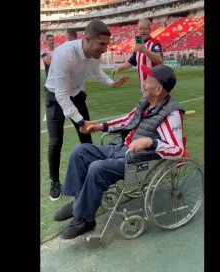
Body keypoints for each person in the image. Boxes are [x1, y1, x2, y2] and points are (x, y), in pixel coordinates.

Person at [53, 64, 185, 239]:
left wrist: (150, 142)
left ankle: (84, 219)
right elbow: (127, 120)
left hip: (139, 161)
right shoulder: (145, 103)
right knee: (79, 151)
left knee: (97, 168)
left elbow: (177, 150)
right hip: (123, 148)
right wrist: (99, 127)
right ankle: (79, 204)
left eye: (147, 80)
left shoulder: (171, 114)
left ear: (159, 88)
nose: (143, 83)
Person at [45, 20, 130, 201]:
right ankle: (54, 181)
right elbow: (61, 95)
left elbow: (97, 73)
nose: (105, 49)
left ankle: (92, 178)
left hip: (76, 95)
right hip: (55, 97)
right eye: (102, 44)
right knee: (55, 142)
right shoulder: (64, 54)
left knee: (87, 137)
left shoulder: (93, 56)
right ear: (87, 39)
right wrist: (80, 120)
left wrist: (112, 84)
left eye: (107, 44)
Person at [111, 18, 163, 93]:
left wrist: (145, 51)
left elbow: (159, 59)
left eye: (145, 28)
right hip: (144, 88)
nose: (142, 31)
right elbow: (131, 62)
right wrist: (119, 68)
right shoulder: (138, 46)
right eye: (140, 28)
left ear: (149, 30)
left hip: (154, 88)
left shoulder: (154, 43)